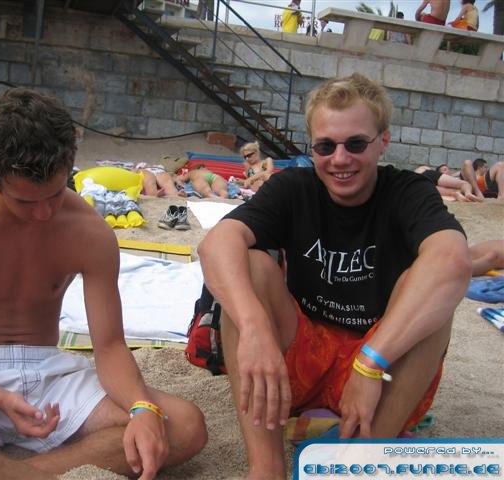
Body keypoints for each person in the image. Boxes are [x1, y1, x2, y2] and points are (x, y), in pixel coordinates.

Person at [0, 88, 207, 480]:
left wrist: (141, 408)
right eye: (25, 202)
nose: (43, 213)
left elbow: (109, 345)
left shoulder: (89, 232)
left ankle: (11, 473)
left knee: (183, 425)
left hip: (49, 375)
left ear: (69, 165)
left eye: (55, 195)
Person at [197, 73, 471, 478]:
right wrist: (253, 327)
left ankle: (361, 461)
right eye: (326, 146)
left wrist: (370, 362)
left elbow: (453, 261)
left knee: (434, 294)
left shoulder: (407, 192)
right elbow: (216, 244)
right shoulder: (294, 188)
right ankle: (266, 468)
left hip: (381, 363)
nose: (340, 159)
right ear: (312, 147)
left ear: (382, 142)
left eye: (355, 144)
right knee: (251, 268)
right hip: (302, 359)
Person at [414, 165, 480, 201]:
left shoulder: (451, 181)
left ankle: (463, 194)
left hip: (420, 184)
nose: (448, 171)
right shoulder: (433, 174)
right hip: (422, 174)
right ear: (439, 173)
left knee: (453, 192)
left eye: (448, 169)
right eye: (445, 170)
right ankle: (468, 193)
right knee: (465, 184)